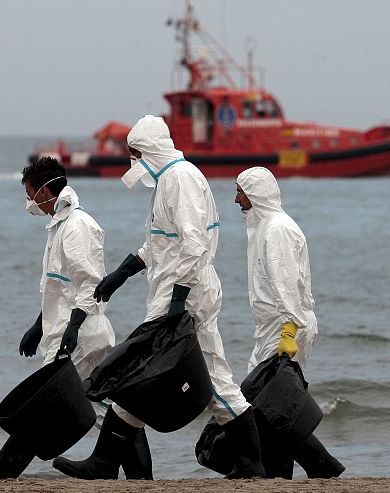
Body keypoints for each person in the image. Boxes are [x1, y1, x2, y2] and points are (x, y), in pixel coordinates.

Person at [52, 115, 266, 480]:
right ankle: (249, 464)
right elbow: (159, 245)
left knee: (155, 374)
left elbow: (194, 244)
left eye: (134, 153)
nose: (132, 161)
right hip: (177, 295)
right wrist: (121, 273)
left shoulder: (179, 179)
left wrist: (178, 301)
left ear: (148, 149)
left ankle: (105, 462)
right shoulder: (168, 180)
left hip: (185, 298)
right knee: (168, 377)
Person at [0, 157, 151, 479]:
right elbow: (59, 285)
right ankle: (141, 479)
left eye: (30, 193)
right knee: (107, 409)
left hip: (81, 333)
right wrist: (39, 324)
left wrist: (72, 327)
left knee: (42, 403)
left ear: (46, 190)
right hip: (68, 327)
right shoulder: (60, 224)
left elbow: (90, 283)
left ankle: (1, 472)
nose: (28, 201)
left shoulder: (78, 227)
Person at [235, 166, 344, 478]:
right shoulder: (266, 227)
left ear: (255, 194)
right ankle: (301, 470)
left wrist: (288, 331)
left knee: (272, 407)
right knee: (271, 406)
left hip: (285, 326)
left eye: (240, 191)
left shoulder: (277, 230)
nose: (236, 199)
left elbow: (286, 284)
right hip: (275, 326)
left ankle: (313, 467)